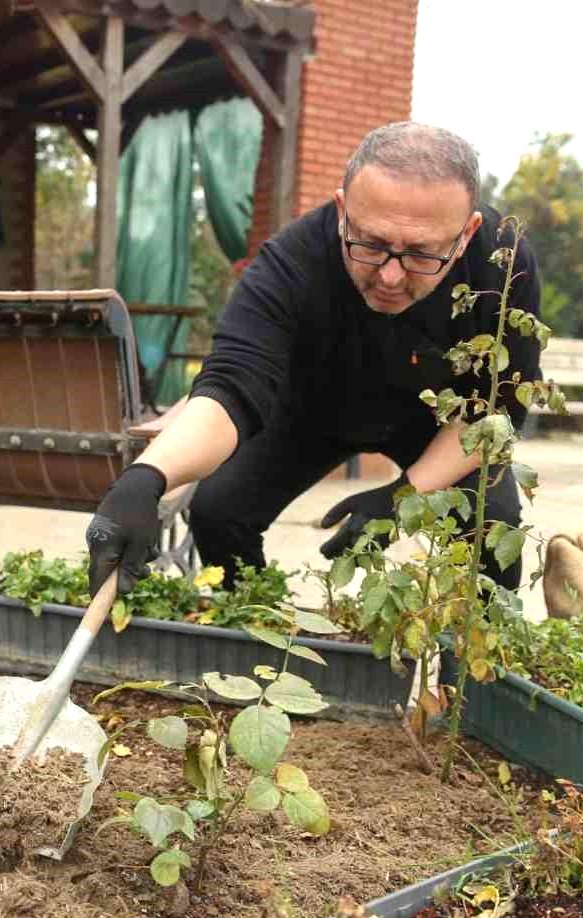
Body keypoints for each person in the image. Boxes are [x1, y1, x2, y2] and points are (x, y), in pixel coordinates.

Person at [86, 122, 542, 599]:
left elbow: (494, 411)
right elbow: (231, 386)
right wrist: (146, 478)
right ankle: (256, 630)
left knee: (492, 525)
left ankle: (469, 671)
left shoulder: (504, 265)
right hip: (313, 410)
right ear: (344, 209)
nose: (390, 275)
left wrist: (402, 497)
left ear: (466, 233)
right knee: (220, 511)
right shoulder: (291, 262)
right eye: (370, 245)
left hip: (439, 421)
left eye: (421, 255)